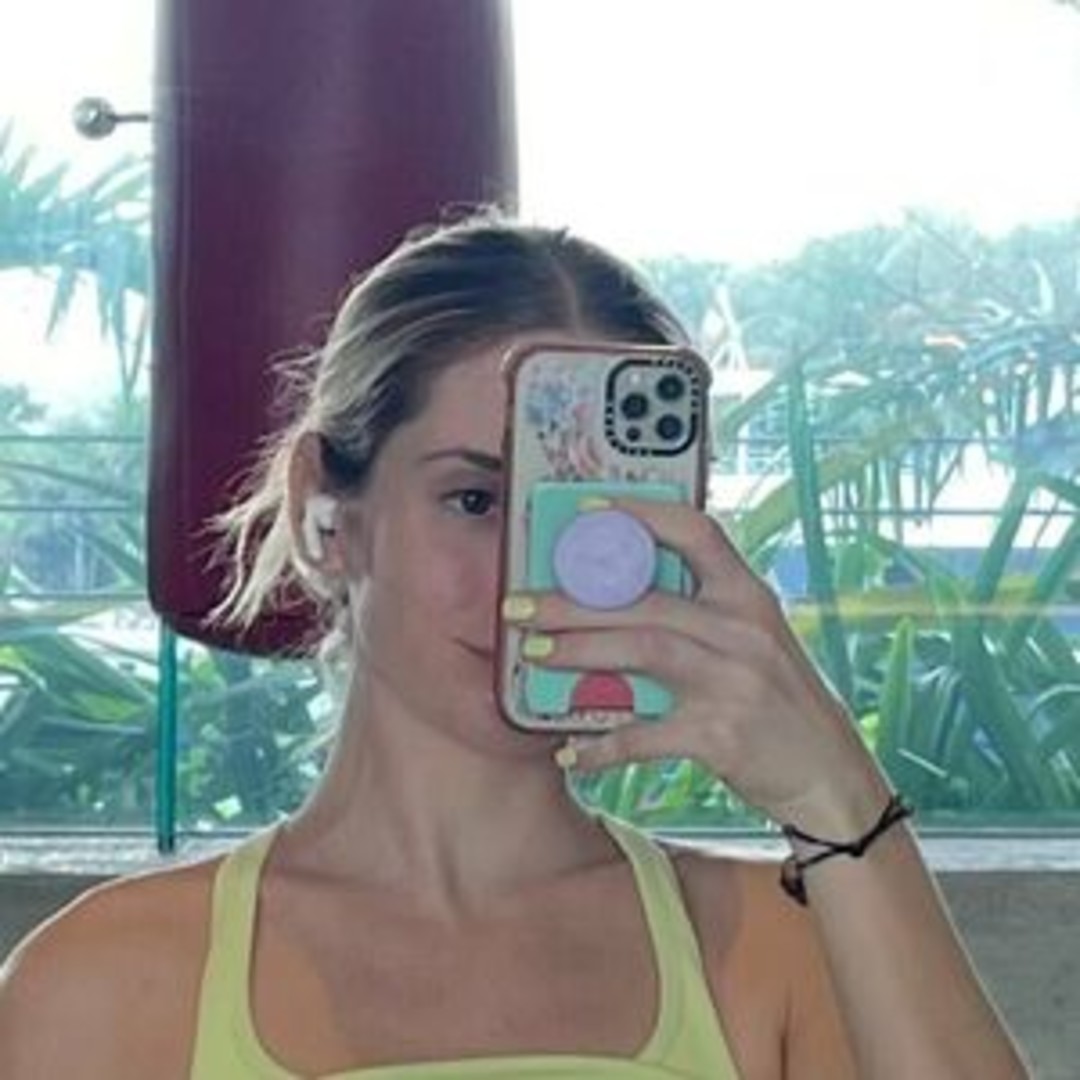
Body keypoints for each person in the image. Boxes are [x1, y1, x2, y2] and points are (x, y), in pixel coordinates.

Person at [0, 213, 1030, 1079]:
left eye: (602, 516)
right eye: (476, 498)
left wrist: (836, 796)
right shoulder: (109, 981)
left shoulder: (778, 947)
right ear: (327, 511)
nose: (542, 577)